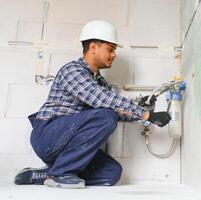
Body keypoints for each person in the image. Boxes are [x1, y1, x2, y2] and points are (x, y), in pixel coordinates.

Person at [13, 20, 171, 189]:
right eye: (110, 49)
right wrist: (147, 115)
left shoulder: (99, 82)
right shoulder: (73, 70)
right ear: (94, 47)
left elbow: (116, 111)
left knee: (112, 173)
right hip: (47, 136)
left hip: (68, 142)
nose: (114, 55)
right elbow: (103, 100)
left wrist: (144, 108)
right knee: (106, 115)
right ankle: (60, 174)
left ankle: (49, 173)